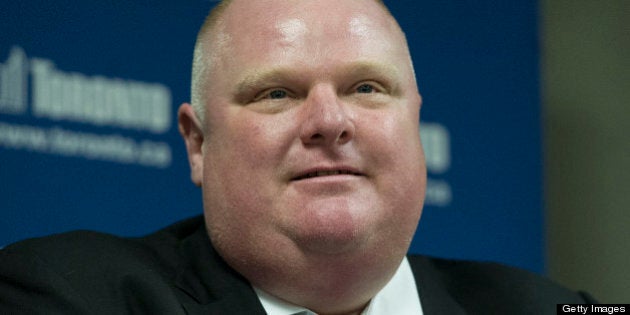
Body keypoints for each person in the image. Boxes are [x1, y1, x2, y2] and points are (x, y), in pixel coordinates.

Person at [0, 0, 595, 314]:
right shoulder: (60, 294)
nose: (330, 122)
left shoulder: (558, 308)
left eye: (366, 88)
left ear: (413, 117)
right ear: (198, 142)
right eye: (276, 93)